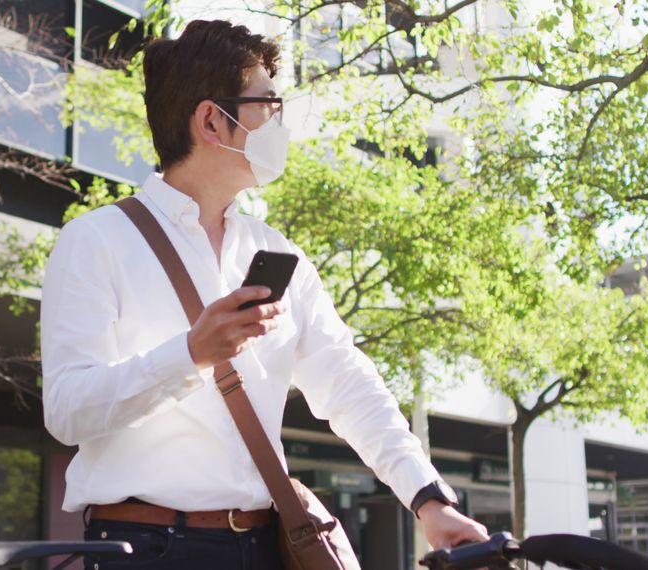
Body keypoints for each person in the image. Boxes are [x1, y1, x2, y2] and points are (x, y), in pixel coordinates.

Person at [40, 19, 489, 569]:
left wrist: (429, 499)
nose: (280, 124)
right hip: (146, 550)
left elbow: (348, 384)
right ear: (212, 120)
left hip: (267, 545)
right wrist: (190, 354)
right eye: (267, 106)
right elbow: (66, 410)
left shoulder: (280, 254)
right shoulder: (96, 241)